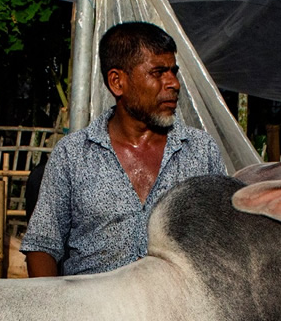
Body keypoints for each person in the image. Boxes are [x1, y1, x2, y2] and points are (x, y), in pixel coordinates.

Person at [21, 21, 225, 277]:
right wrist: (53, 309)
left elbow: (222, 243)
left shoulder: (200, 151)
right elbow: (42, 246)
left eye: (174, 72)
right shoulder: (72, 154)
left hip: (177, 314)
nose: (173, 83)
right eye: (158, 72)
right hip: (91, 311)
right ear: (117, 82)